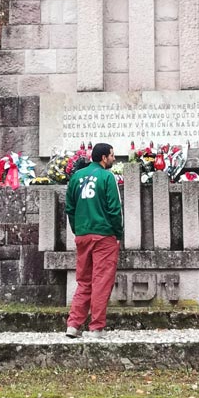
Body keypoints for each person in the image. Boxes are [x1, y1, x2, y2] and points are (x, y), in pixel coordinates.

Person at [65, 142, 123, 339]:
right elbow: (115, 209)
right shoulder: (107, 177)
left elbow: (70, 209)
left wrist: (78, 230)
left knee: (84, 281)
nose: (114, 159)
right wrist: (118, 234)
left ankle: (73, 325)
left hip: (82, 235)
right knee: (101, 281)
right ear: (104, 158)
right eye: (112, 155)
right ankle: (96, 327)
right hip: (104, 235)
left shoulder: (76, 177)